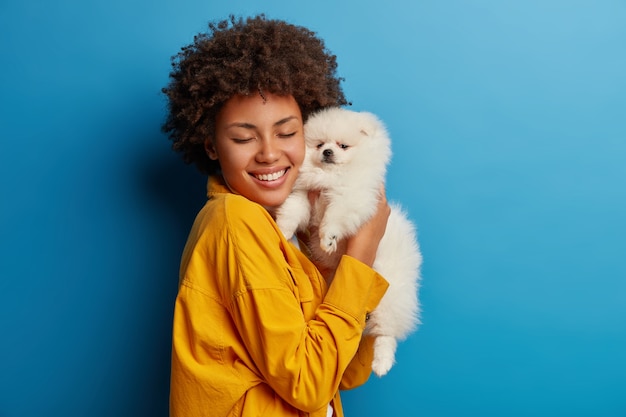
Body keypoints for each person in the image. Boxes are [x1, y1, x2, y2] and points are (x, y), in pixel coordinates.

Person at [161, 14, 391, 417]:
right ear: (212, 146)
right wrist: (361, 256)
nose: (269, 153)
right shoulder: (235, 222)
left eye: (287, 132)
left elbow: (346, 374)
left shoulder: (289, 230)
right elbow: (307, 383)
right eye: (243, 138)